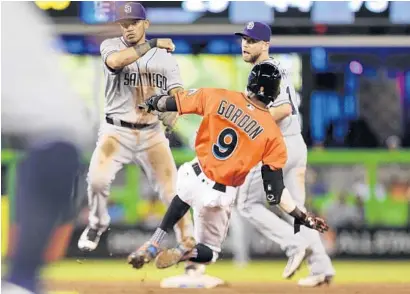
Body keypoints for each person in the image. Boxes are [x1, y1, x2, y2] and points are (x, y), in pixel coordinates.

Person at [127, 62, 329, 272]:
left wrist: (150, 103)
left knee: (183, 198)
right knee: (210, 252)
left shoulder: (219, 96)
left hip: (194, 175)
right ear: (274, 93)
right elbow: (276, 193)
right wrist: (303, 217)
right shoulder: (273, 135)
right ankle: (186, 251)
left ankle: (154, 242)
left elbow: (173, 102)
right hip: (218, 195)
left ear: (251, 82)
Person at [76, 2, 216, 287]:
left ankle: (188, 249)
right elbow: (115, 63)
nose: (128, 28)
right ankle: (97, 224)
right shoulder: (111, 46)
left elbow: (177, 92)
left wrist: (174, 109)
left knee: (173, 193)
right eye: (124, 23)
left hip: (152, 133)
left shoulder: (165, 58)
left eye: (134, 22)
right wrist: (151, 44)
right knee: (98, 181)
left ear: (145, 23)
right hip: (116, 131)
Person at [233, 21, 335, 286]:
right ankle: (321, 268)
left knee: (246, 203)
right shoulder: (275, 67)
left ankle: (293, 245)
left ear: (265, 44)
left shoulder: (264, 69)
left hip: (276, 147)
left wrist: (248, 125)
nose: (246, 44)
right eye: (244, 39)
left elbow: (284, 109)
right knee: (297, 210)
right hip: (295, 145)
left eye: (252, 40)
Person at [1, 2, 93, 293]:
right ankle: (23, 279)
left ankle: (22, 280)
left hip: (54, 132)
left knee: (60, 131)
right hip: (57, 135)